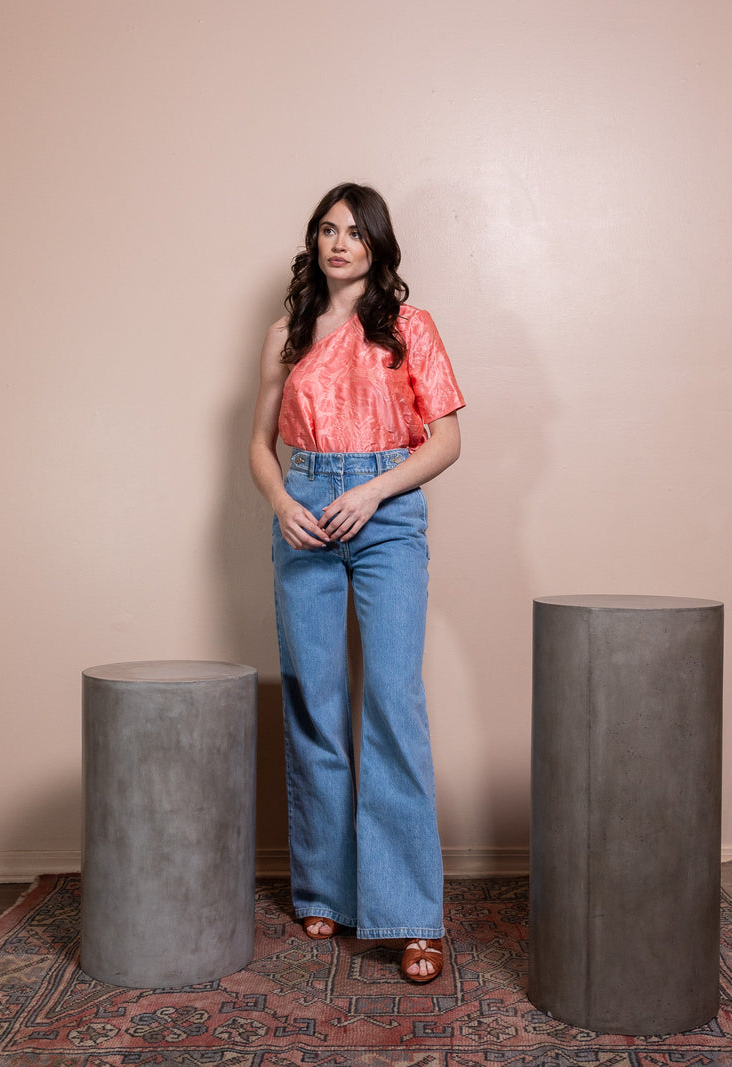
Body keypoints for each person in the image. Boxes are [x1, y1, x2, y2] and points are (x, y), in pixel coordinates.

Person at [249, 182, 464, 983]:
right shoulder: (286, 333)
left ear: (378, 243)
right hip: (303, 512)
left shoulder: (410, 327)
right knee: (314, 696)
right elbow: (259, 440)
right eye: (326, 230)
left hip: (386, 515)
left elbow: (443, 441)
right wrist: (280, 500)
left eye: (354, 231)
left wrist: (374, 490)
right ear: (316, 242)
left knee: (392, 702)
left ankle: (411, 914)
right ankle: (327, 887)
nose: (339, 242)